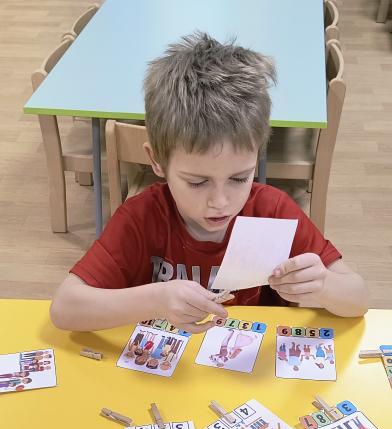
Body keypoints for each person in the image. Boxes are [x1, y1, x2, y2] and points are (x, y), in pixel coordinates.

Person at [50, 32, 367, 334]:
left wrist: (323, 286)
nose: (220, 202)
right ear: (156, 161)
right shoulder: (141, 218)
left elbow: (358, 298)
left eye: (239, 178)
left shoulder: (273, 212)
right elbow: (64, 308)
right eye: (198, 182)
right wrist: (155, 300)